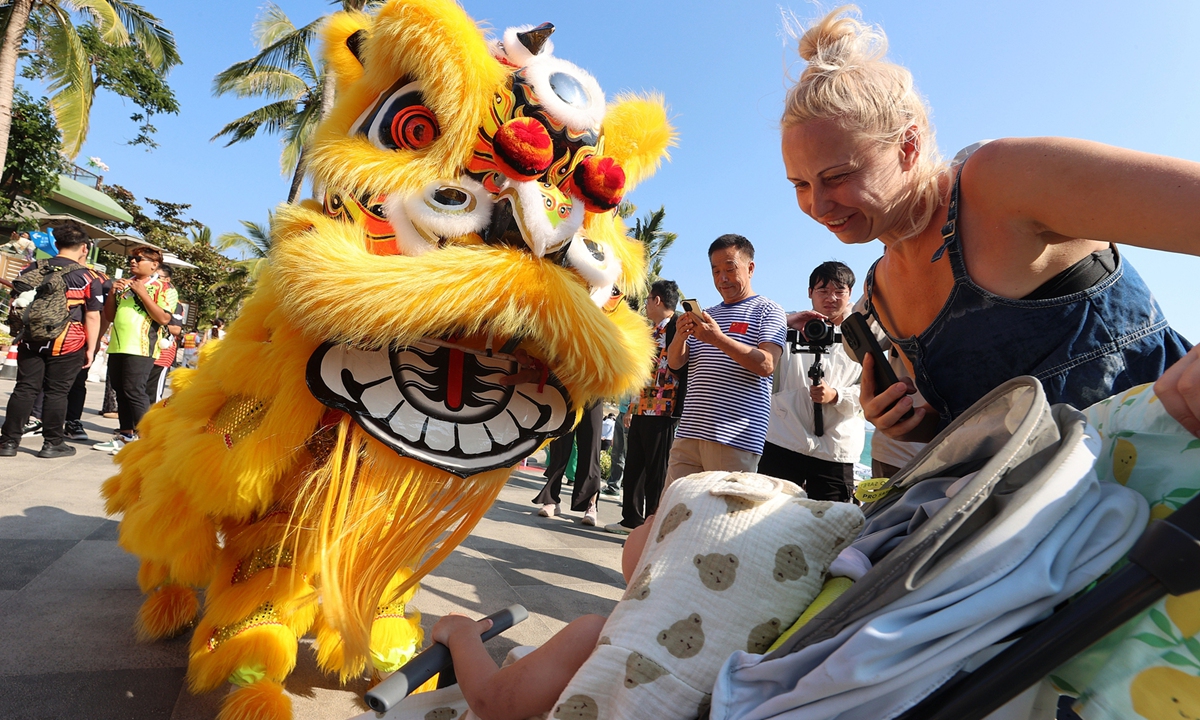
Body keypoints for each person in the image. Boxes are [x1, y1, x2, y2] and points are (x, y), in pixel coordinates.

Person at [779, 8, 1195, 445]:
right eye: (800, 185)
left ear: (908, 145)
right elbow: (975, 429)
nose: (819, 205)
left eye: (838, 176)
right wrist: (915, 423)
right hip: (1050, 507)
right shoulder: (880, 291)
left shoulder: (1001, 181)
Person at [430, 513, 652, 720]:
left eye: (658, 517)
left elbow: (490, 700)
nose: (649, 517)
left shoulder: (600, 636)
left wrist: (462, 634)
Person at [664, 235, 787, 482]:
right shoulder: (707, 314)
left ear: (750, 268)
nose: (722, 278)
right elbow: (676, 364)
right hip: (689, 432)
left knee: (723, 518)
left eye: (730, 269)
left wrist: (718, 339)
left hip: (734, 438)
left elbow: (767, 364)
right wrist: (680, 336)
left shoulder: (769, 310)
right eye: (716, 270)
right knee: (674, 512)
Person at [759, 262, 864, 502]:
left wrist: (836, 396)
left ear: (850, 294)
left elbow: (871, 389)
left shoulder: (860, 335)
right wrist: (786, 321)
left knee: (832, 524)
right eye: (823, 291)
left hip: (836, 449)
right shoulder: (787, 330)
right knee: (768, 515)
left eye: (840, 291)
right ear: (809, 293)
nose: (831, 298)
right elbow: (755, 348)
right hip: (784, 439)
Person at [0, 222, 102, 458]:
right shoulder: (87, 276)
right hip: (68, 340)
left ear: (56, 244)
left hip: (31, 337)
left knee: (25, 388)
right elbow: (93, 315)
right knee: (57, 392)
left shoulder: (34, 268)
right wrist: (91, 348)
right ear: (84, 248)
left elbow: (18, 299)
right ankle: (52, 443)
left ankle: (8, 442)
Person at [606, 279, 687, 534]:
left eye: (647, 300)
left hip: (664, 409)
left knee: (657, 470)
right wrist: (631, 407)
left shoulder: (679, 326)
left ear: (657, 300)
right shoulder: (650, 331)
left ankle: (653, 523)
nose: (646, 306)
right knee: (634, 465)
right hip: (642, 406)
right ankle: (630, 519)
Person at [94, 248, 177, 455]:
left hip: (141, 347)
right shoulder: (123, 283)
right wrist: (113, 293)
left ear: (154, 265)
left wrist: (141, 292)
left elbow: (164, 319)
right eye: (131, 258)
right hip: (117, 345)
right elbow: (111, 316)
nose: (133, 261)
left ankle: (146, 440)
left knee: (135, 391)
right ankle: (125, 435)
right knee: (120, 391)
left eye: (139, 259)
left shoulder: (164, 288)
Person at [532, 401, 603, 525]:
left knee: (591, 448)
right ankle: (551, 500)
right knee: (559, 448)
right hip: (568, 389)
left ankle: (590, 504)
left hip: (594, 391)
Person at [145, 265, 183, 404]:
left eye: (157, 277)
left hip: (162, 354)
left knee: (153, 394)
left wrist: (158, 317)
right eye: (151, 276)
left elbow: (176, 329)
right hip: (145, 351)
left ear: (167, 280)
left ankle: (150, 424)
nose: (152, 280)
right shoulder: (150, 297)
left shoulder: (174, 302)